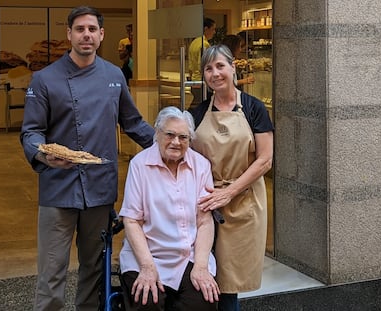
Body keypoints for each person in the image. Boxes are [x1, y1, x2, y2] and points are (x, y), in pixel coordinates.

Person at [20, 6, 155, 311]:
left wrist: (169, 145)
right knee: (52, 273)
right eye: (80, 29)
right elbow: (31, 132)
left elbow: (132, 122)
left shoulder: (114, 75)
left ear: (101, 35)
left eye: (92, 29)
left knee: (94, 271)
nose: (86, 35)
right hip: (57, 189)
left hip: (99, 190)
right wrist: (44, 154)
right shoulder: (44, 79)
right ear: (69, 34)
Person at [189, 44, 274, 311]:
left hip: (243, 202)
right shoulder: (198, 112)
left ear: (233, 68)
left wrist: (228, 192)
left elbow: (265, 160)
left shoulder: (253, 108)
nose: (215, 73)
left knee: (228, 285)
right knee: (200, 276)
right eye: (208, 68)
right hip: (205, 202)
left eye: (220, 66)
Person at [119, 106, 220, 311]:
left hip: (188, 257)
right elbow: (131, 220)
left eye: (183, 137)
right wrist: (147, 267)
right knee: (146, 301)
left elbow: (204, 221)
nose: (176, 142)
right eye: (170, 135)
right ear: (157, 134)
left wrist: (200, 266)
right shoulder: (140, 165)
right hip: (148, 256)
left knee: (203, 301)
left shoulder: (200, 166)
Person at [188, 17, 216, 110]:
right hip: (202, 82)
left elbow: (191, 66)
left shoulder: (194, 42)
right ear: (206, 29)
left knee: (197, 107)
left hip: (194, 80)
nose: (214, 32)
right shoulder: (204, 44)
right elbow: (204, 66)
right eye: (213, 29)